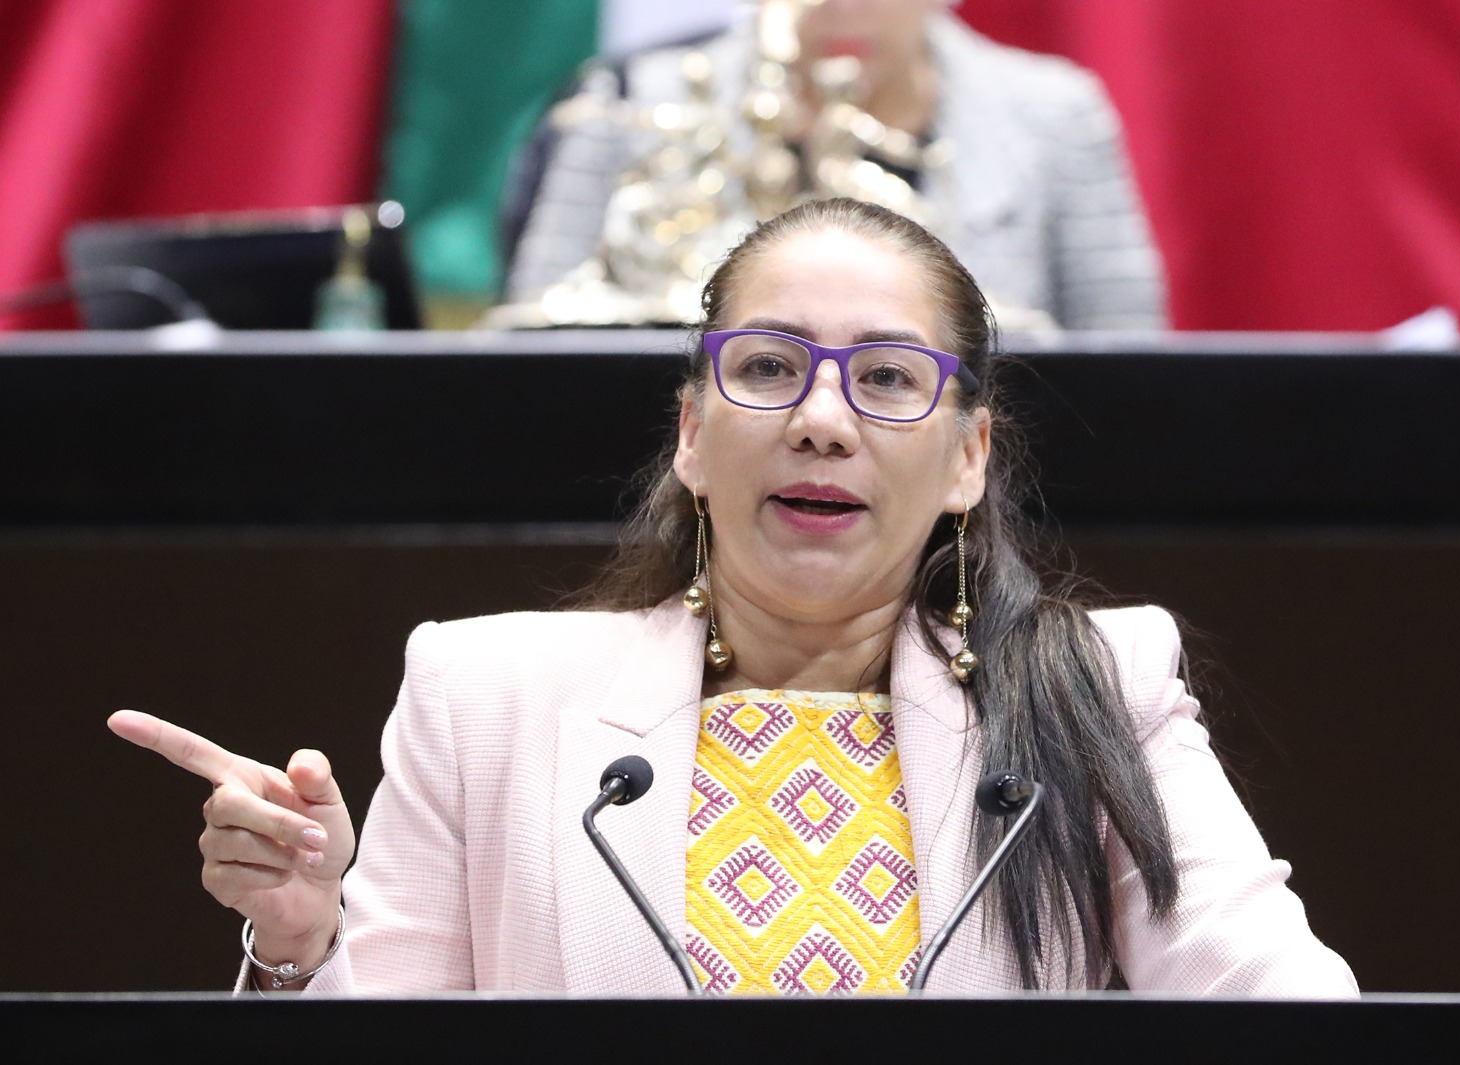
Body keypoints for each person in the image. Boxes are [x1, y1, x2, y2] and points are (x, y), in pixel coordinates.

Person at [109, 197, 1352, 996]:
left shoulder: (1094, 687)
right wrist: (301, 944)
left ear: (968, 458)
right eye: (767, 368)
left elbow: (1281, 1009)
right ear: (694, 435)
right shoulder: (484, 696)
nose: (821, 421)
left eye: (886, 378)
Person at [501, 0, 1168, 332]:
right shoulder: (629, 105)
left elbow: (1127, 372)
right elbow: (533, 350)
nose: (843, 5)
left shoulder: (1056, 115)